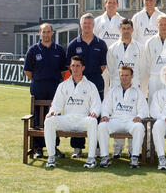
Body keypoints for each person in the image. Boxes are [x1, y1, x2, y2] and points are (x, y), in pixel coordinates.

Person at [44, 56, 101, 168]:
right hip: (67, 120)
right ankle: (51, 157)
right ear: (70, 67)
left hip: (82, 121)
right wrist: (52, 112)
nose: (75, 69)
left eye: (78, 66)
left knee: (93, 121)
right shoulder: (63, 85)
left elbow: (97, 105)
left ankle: (91, 159)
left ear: (83, 67)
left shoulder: (90, 86)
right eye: (73, 66)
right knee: (49, 121)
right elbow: (56, 104)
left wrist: (94, 112)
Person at [66, 13, 107, 158]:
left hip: (96, 81)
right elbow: (69, 66)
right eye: (85, 23)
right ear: (80, 25)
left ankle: (96, 147)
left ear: (93, 25)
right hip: (78, 82)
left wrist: (90, 78)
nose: (87, 26)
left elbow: (103, 66)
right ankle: (77, 147)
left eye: (90, 23)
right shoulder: (73, 44)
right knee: (77, 111)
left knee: (95, 112)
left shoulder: (100, 44)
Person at [23, 23, 67, 159]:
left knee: (54, 116)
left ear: (52, 33)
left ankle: (53, 146)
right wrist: (40, 79)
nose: (46, 34)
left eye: (48, 32)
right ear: (40, 33)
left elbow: (64, 71)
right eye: (44, 32)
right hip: (38, 87)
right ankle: (38, 148)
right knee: (38, 117)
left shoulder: (59, 50)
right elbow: (28, 71)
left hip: (55, 87)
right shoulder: (33, 50)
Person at [106, 18, 145, 158]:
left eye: (128, 28)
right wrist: (118, 82)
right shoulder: (112, 48)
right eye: (124, 28)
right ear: (120, 29)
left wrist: (137, 83)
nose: (126, 31)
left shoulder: (140, 47)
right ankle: (117, 149)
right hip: (117, 85)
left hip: (134, 86)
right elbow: (111, 69)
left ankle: (132, 150)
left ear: (132, 30)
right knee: (118, 115)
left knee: (132, 117)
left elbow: (142, 68)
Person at [98, 65, 148, 169]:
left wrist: (139, 116)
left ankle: (134, 157)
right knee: (102, 126)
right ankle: (105, 157)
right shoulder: (113, 90)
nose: (124, 78)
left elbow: (143, 109)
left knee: (139, 127)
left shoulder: (138, 92)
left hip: (131, 120)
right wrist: (105, 115)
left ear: (132, 76)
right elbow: (105, 106)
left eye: (127, 75)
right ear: (119, 76)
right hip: (116, 120)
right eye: (122, 75)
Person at [94, 0, 124, 96]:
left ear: (118, 5)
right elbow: (94, 40)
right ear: (105, 4)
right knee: (104, 86)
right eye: (109, 2)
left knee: (118, 85)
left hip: (118, 58)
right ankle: (104, 110)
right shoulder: (97, 21)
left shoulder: (123, 21)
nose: (111, 5)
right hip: (102, 59)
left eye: (114, 3)